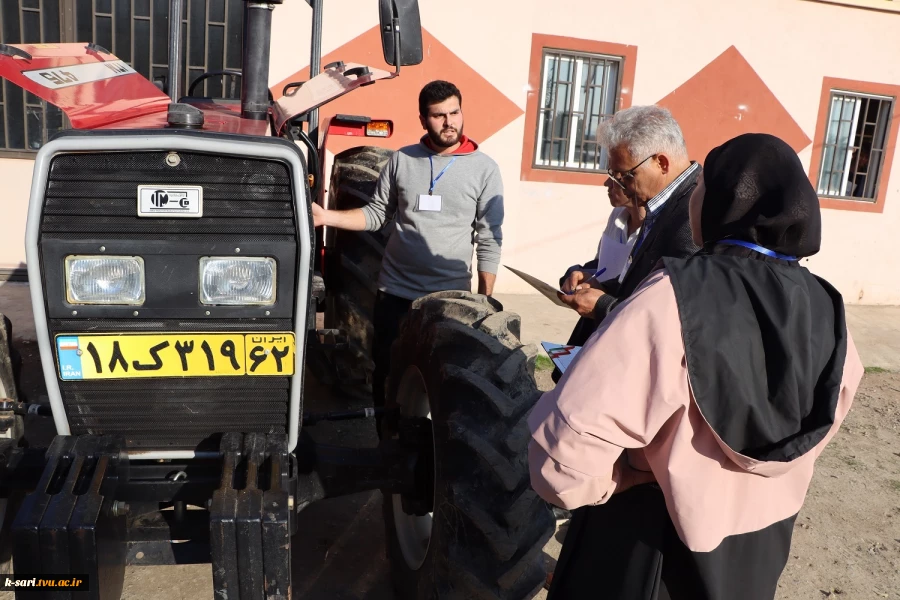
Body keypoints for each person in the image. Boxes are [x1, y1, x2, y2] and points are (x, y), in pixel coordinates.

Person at [529, 133, 863, 600]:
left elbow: (558, 465)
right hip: (758, 554)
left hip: (646, 552)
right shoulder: (829, 306)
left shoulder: (671, 297)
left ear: (723, 202)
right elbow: (827, 416)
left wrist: (627, 475)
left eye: (701, 185)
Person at [311, 80, 504, 418]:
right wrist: (326, 216)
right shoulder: (402, 160)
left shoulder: (485, 169)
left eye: (454, 112)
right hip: (395, 294)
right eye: (438, 115)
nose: (449, 122)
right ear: (423, 119)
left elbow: (489, 237)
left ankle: (425, 453)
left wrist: (486, 299)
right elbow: (374, 216)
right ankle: (386, 442)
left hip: (451, 299)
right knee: (386, 376)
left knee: (442, 382)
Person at [558, 106, 701, 344]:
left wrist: (603, 305)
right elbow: (642, 281)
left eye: (624, 176)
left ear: (661, 163)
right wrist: (603, 285)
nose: (617, 184)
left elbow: (676, 314)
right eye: (613, 175)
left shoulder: (696, 210)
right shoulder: (661, 201)